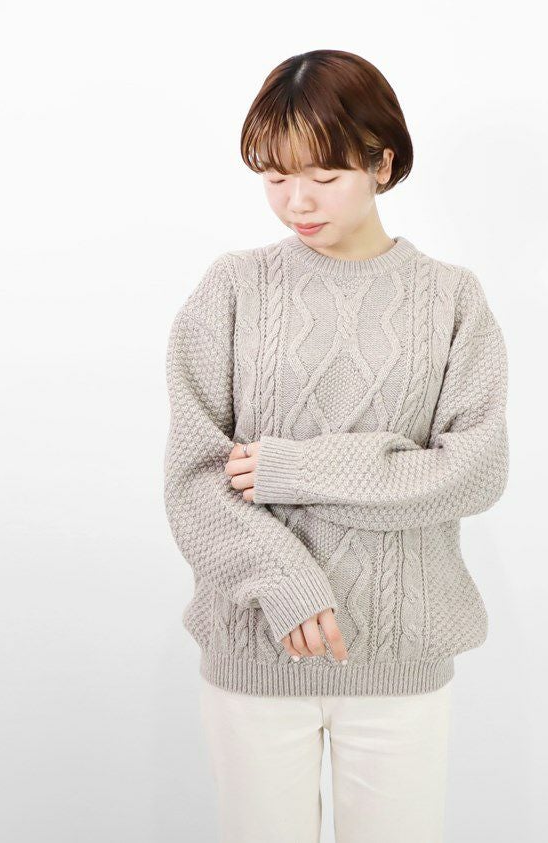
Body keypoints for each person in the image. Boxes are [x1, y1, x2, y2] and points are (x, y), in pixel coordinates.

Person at [163, 48, 509, 843]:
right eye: (274, 177)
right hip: (255, 652)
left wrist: (292, 468)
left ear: (381, 164)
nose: (296, 201)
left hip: (400, 657)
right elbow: (193, 476)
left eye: (323, 175)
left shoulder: (451, 299)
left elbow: (474, 470)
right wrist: (286, 583)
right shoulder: (232, 288)